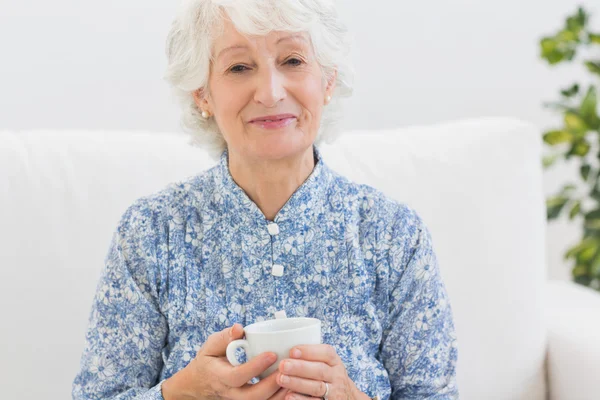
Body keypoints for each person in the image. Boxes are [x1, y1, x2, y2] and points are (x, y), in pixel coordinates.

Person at [72, 0, 459, 399]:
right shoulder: (151, 231)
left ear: (327, 82)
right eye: (239, 67)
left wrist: (351, 396)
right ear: (202, 95)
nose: (271, 93)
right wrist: (184, 392)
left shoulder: (393, 234)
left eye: (292, 60)